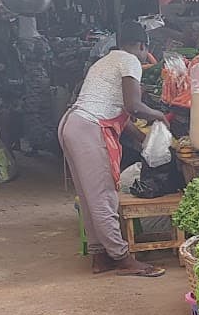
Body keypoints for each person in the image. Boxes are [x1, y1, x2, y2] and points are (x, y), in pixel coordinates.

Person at [58, 20, 169, 277]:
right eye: (145, 52)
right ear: (142, 46)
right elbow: (133, 106)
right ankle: (122, 257)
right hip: (88, 128)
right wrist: (158, 116)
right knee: (104, 195)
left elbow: (120, 114)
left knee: (89, 196)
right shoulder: (130, 61)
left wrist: (144, 140)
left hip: (73, 124)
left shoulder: (105, 61)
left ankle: (100, 256)